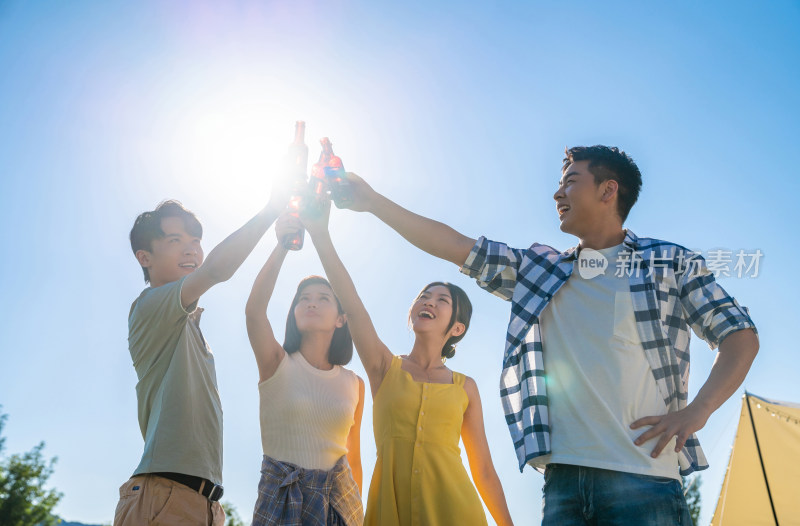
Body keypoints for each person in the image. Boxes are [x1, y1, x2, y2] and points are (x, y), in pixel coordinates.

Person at [338, 145, 759, 525]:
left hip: (645, 483)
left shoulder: (668, 261)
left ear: (608, 190)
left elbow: (740, 334)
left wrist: (697, 412)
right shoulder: (542, 271)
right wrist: (372, 202)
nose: (558, 195)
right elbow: (456, 246)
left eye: (570, 183)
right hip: (563, 489)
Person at [289, 202, 515, 526]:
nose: (429, 301)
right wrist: (321, 235)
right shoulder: (384, 368)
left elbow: (484, 471)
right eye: (425, 295)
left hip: (457, 513)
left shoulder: (465, 388)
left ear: (456, 329)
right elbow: (351, 305)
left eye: (442, 300)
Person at [115, 189, 288, 526]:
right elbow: (215, 271)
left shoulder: (188, 327)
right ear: (144, 257)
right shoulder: (149, 307)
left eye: (196, 240)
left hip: (204, 503)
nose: (191, 249)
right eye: (175, 240)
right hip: (164, 495)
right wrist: (271, 210)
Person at [244, 225, 365, 526]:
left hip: (339, 505)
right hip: (280, 501)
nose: (311, 302)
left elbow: (354, 456)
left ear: (341, 319)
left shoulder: (354, 384)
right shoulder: (275, 362)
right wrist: (283, 244)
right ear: (294, 313)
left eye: (323, 298)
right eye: (303, 298)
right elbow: (254, 311)